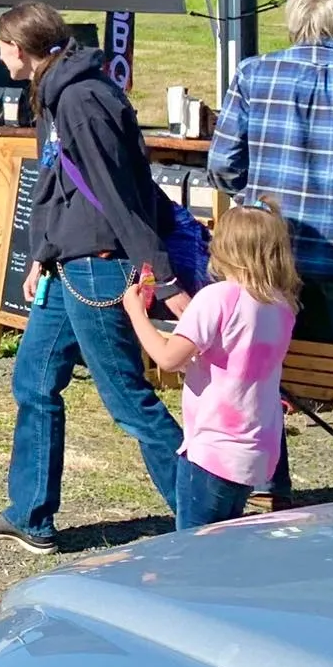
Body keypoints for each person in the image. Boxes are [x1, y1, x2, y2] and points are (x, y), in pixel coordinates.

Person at [0, 1, 189, 554]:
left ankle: (202, 519)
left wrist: (162, 278)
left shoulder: (82, 98)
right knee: (35, 383)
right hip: (68, 263)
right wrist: (40, 253)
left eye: (0, 46)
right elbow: (57, 182)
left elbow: (121, 195)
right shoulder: (56, 90)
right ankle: (30, 515)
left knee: (128, 402)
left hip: (99, 266)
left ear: (20, 49)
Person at [210, 0, 333, 500]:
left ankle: (267, 481)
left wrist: (254, 198)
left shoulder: (252, 72)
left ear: (292, 23)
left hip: (271, 248)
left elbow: (223, 162)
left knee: (262, 363)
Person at [124, 201, 300, 531]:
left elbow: (168, 358)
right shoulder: (282, 305)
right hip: (255, 450)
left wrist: (136, 313)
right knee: (224, 544)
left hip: (213, 450)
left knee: (195, 549)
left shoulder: (217, 298)